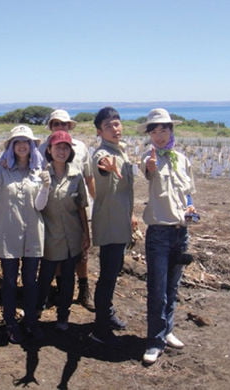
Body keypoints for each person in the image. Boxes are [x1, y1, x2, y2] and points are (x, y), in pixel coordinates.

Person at [0, 125, 49, 344]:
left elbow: (40, 205)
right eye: (17, 141)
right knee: (9, 280)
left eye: (26, 142)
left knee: (30, 280)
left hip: (33, 233)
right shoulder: (1, 170)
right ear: (11, 146)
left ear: (31, 146)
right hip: (9, 231)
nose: (22, 145)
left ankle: (30, 321)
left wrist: (46, 187)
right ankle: (10, 322)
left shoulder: (38, 172)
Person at [139, 108, 197, 364]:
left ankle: (168, 330)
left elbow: (188, 192)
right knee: (157, 289)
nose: (159, 135)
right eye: (154, 130)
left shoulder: (182, 160)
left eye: (164, 129)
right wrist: (150, 166)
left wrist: (191, 206)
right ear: (150, 134)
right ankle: (154, 340)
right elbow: (148, 171)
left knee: (173, 288)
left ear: (171, 131)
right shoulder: (149, 158)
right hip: (159, 233)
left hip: (180, 232)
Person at [39, 109, 95, 311]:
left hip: (74, 204)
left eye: (63, 124)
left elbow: (88, 178)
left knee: (80, 253)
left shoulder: (81, 147)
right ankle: (58, 291)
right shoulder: (41, 148)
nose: (60, 127)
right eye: (55, 124)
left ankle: (83, 289)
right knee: (54, 252)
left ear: (69, 126)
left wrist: (94, 203)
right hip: (51, 208)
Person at [89, 107, 136, 345]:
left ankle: (106, 314)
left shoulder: (122, 152)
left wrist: (132, 214)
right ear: (100, 132)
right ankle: (100, 327)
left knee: (113, 271)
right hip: (109, 224)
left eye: (117, 124)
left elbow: (125, 191)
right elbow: (101, 165)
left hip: (120, 222)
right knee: (107, 275)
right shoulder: (103, 154)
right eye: (109, 126)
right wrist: (104, 167)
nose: (115, 129)